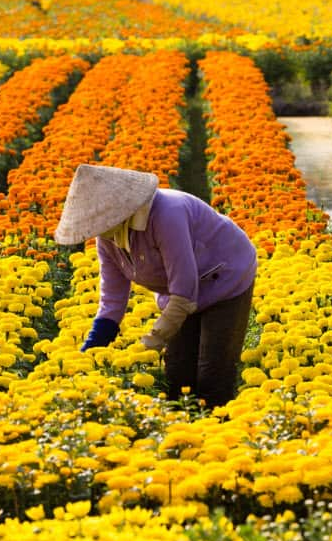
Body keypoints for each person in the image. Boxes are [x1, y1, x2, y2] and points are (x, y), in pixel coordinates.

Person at [54, 164, 257, 408]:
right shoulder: (108, 236)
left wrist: (151, 340)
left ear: (117, 210)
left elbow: (184, 290)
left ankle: (221, 430)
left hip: (225, 277)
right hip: (179, 293)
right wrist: (90, 353)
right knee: (178, 372)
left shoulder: (167, 215)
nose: (95, 229)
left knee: (212, 373)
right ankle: (182, 434)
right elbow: (112, 301)